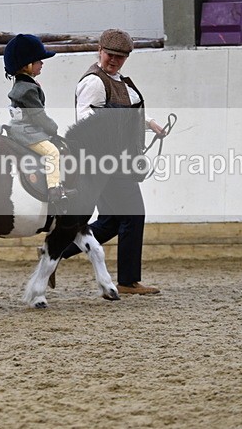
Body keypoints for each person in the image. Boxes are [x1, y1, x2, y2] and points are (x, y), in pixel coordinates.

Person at [61, 28, 166, 295]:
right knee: (133, 215)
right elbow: (85, 121)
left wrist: (149, 123)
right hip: (104, 162)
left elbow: (123, 114)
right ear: (100, 51)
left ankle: (55, 252)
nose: (114, 60)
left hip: (115, 160)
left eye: (121, 57)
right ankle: (129, 281)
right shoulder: (94, 82)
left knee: (110, 221)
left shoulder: (118, 80)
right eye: (110, 55)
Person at [2, 34, 70, 209]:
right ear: (27, 65)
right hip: (27, 132)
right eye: (39, 60)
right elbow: (39, 116)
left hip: (19, 127)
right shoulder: (28, 90)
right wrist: (53, 128)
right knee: (53, 152)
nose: (42, 63)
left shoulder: (23, 85)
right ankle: (54, 189)